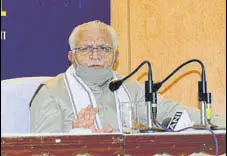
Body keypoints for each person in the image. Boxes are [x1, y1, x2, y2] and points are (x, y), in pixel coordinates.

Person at [30, 20, 225, 133]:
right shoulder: (50, 93)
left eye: (104, 48)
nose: (96, 55)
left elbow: (169, 112)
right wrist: (75, 133)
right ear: (71, 56)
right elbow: (39, 150)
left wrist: (218, 124)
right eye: (87, 48)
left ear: (116, 56)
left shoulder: (128, 87)